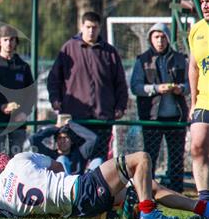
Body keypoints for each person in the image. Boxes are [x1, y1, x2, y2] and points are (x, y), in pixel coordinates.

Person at [0, 149, 209, 219]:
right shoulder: (18, 160)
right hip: (80, 190)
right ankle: (148, 213)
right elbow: (57, 167)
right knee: (141, 159)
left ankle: (202, 209)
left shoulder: (0, 196)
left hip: (75, 212)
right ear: (5, 161)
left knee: (145, 183)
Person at [47, 11, 128, 161]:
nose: (91, 31)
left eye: (95, 27)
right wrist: (55, 99)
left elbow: (121, 83)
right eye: (88, 27)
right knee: (72, 162)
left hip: (102, 118)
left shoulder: (110, 52)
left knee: (99, 162)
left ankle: (96, 186)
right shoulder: (68, 49)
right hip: (74, 119)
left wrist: (120, 106)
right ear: (81, 26)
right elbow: (53, 79)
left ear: (100, 28)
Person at [130, 23, 189, 193]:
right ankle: (148, 192)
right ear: (150, 39)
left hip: (176, 117)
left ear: (168, 38)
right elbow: (136, 87)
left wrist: (181, 89)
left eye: (163, 37)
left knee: (177, 159)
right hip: (152, 117)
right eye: (156, 37)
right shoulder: (142, 60)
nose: (160, 40)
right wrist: (156, 89)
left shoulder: (179, 59)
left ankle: (178, 194)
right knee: (149, 158)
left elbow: (190, 83)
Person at [0, 25, 35, 157]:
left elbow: (31, 94)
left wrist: (24, 113)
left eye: (12, 39)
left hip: (18, 122)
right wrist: (1, 107)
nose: (9, 43)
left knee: (17, 159)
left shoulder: (23, 66)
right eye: (5, 39)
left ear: (16, 41)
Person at [188, 0, 209, 214]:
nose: (205, 6)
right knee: (197, 147)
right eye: (202, 2)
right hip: (204, 101)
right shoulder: (197, 29)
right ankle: (205, 203)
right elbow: (193, 67)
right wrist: (193, 102)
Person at [30, 117, 103, 175]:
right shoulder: (51, 155)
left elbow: (94, 138)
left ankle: (94, 191)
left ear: (71, 141)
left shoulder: (80, 153)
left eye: (65, 138)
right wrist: (55, 128)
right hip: (61, 188)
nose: (62, 141)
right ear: (56, 141)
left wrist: (70, 124)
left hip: (79, 186)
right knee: (62, 159)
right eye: (59, 138)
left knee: (98, 161)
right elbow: (33, 139)